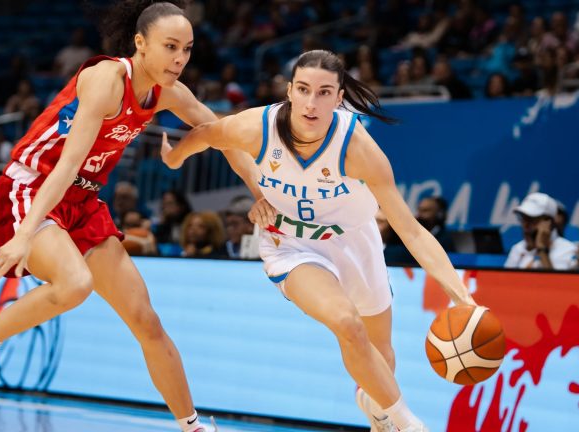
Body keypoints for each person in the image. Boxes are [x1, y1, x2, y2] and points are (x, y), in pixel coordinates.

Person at [0, 2, 256, 430]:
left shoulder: (170, 93)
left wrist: (264, 194)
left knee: (146, 320)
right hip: (33, 186)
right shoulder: (107, 80)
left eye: (186, 48)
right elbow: (66, 165)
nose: (180, 58)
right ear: (141, 43)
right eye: (170, 46)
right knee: (75, 284)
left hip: (83, 201)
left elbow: (225, 136)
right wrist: (24, 233)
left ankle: (192, 426)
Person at [161, 49, 475, 432]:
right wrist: (176, 158)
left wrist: (462, 296)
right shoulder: (257, 127)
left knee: (381, 358)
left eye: (324, 92)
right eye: (304, 89)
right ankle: (407, 422)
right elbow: (209, 136)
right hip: (293, 243)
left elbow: (411, 230)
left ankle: (377, 410)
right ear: (290, 90)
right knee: (347, 322)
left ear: (339, 97)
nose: (312, 103)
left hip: (356, 242)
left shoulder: (358, 149)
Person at [504, 192, 577, 270]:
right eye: (523, 218)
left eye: (531, 219)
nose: (525, 225)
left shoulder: (568, 251)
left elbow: (555, 282)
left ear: (549, 222)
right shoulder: (517, 249)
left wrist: (542, 249)